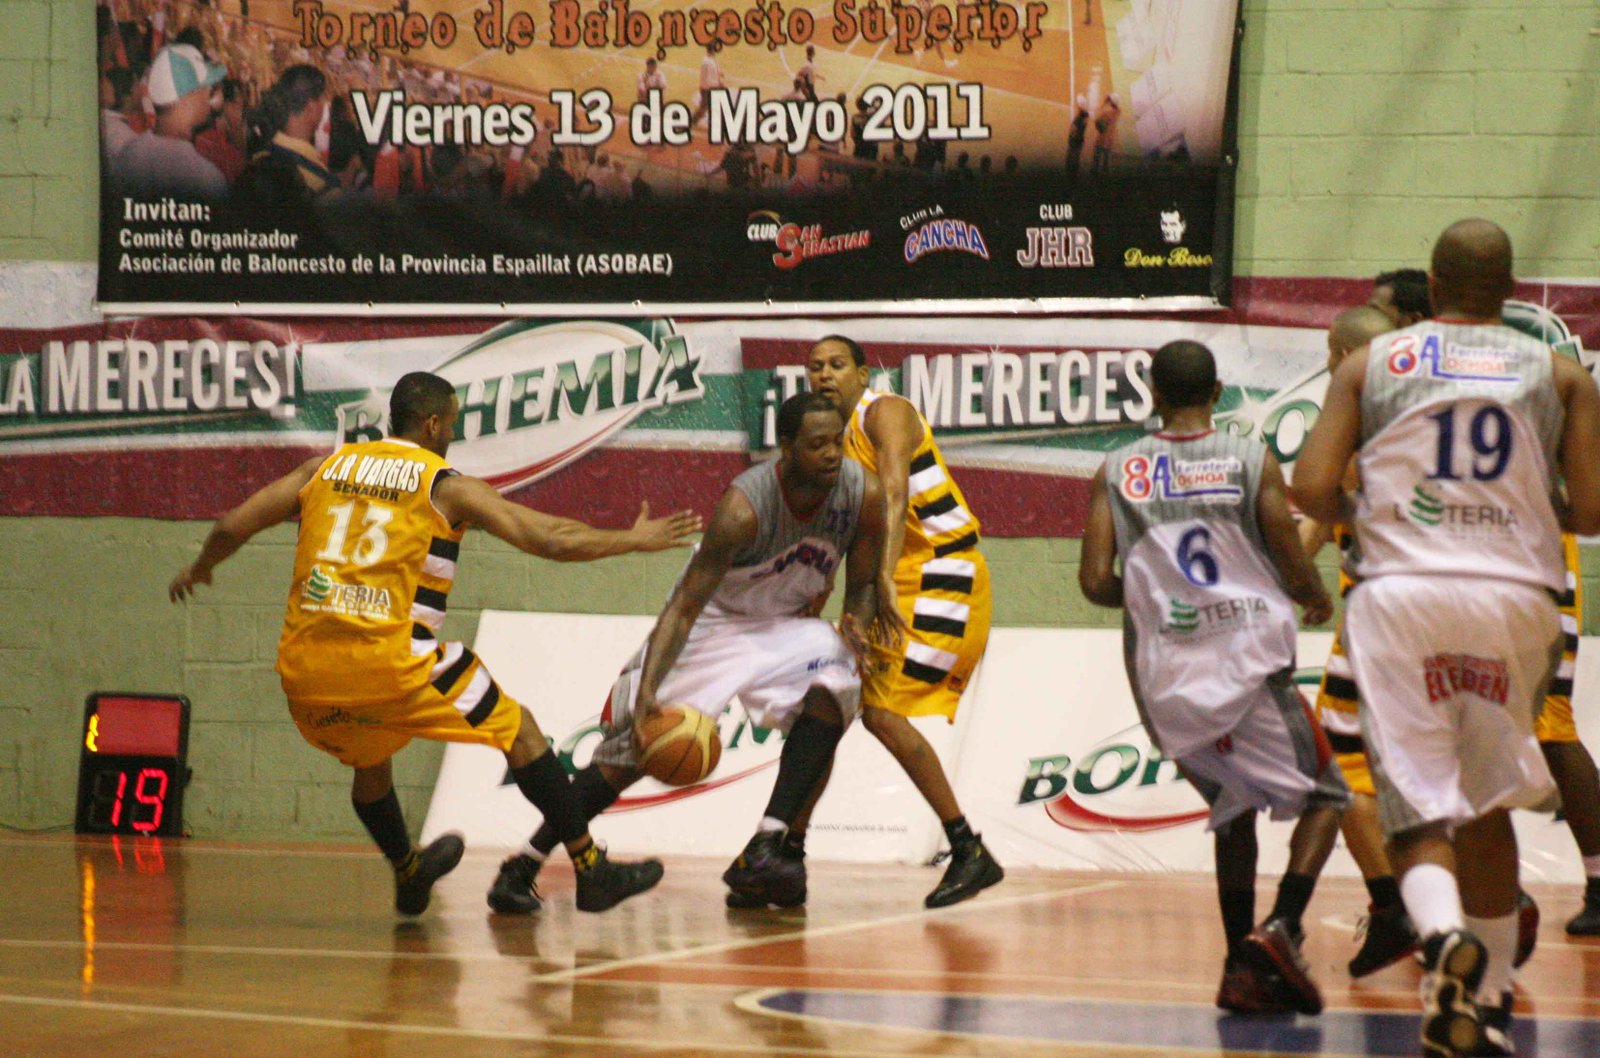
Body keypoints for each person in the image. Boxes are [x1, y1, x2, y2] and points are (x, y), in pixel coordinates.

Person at [168, 372, 700, 916]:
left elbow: (233, 524)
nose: (452, 434)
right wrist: (634, 540)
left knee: (371, 761)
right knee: (521, 730)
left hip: (304, 678)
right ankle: (591, 870)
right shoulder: (444, 485)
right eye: (451, 423)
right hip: (392, 665)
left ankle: (409, 871)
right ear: (431, 424)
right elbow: (548, 538)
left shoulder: (321, 469)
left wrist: (201, 568)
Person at [1293, 219, 1600, 1057]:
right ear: (1509, 288)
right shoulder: (1562, 374)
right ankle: (1489, 1006)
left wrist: (1374, 513)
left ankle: (1438, 942)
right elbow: (1596, 509)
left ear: (1431, 280)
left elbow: (1314, 488)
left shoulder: (1369, 363)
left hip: (1402, 596)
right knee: (1488, 801)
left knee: (1413, 801)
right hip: (1517, 599)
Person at [484, 393, 897, 913]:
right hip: (713, 626)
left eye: (838, 441)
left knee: (840, 673)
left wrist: (856, 623)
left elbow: (860, 584)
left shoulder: (864, 494)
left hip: (782, 628)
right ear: (786, 447)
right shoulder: (744, 507)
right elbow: (682, 608)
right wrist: (650, 691)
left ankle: (770, 846)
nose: (832, 454)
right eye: (817, 444)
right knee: (628, 758)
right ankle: (521, 866)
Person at [1081, 340, 1346, 1017]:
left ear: (1155, 397)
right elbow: (1286, 548)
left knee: (1233, 810)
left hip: (1166, 678)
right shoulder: (1249, 456)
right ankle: (1282, 926)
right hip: (1244, 656)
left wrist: (1154, 604)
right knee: (1328, 795)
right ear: (1221, 389)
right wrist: (1312, 594)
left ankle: (1241, 970)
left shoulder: (1117, 469)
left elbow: (1092, 581)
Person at [806, 335, 1003, 909]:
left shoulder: (885, 410)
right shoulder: (834, 451)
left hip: (943, 570)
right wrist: (852, 614)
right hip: (901, 576)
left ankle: (969, 849)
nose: (825, 375)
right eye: (815, 367)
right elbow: (854, 540)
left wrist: (886, 577)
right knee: (835, 706)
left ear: (863, 375)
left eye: (837, 365)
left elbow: (894, 490)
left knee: (882, 714)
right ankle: (783, 846)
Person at [109, 43, 227, 200]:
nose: (209, 94)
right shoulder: (207, 181)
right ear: (188, 96)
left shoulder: (128, 153)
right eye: (207, 88)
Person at [235, 64, 339, 207]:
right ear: (311, 108)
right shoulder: (323, 187)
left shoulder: (258, 158)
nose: (325, 106)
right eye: (322, 99)